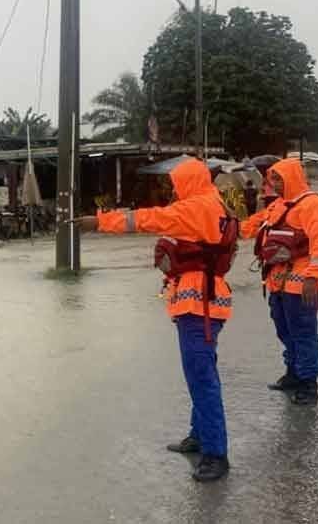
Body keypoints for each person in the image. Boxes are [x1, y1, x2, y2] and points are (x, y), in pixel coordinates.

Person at [78, 158, 236, 482]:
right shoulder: (213, 203)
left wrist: (98, 222)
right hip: (204, 299)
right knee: (200, 373)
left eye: (177, 182)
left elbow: (148, 219)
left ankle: (216, 454)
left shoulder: (196, 208)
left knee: (202, 377)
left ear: (188, 181)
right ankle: (200, 435)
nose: (173, 188)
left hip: (198, 304)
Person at [241, 158, 318, 405]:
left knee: (304, 333)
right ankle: (293, 373)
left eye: (279, 179)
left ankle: (308, 384)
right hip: (278, 281)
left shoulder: (313, 205)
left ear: (292, 176)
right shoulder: (280, 205)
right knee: (285, 330)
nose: (275, 184)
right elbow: (253, 227)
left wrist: (313, 277)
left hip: (301, 283)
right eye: (273, 179)